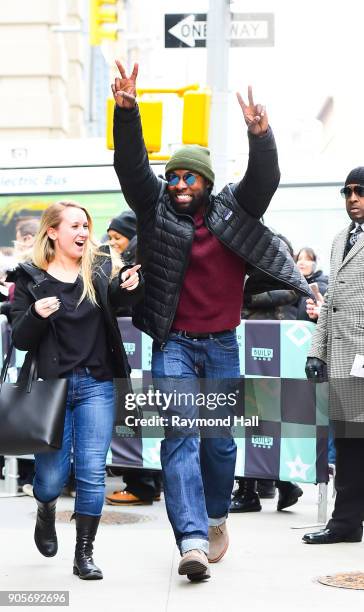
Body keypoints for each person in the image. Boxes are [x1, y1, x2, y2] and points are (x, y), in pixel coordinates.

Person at [112, 60, 312, 581]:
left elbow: (263, 178)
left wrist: (260, 135)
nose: (178, 184)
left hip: (222, 344)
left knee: (219, 442)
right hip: (173, 344)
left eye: (189, 177)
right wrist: (127, 111)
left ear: (205, 183)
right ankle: (193, 540)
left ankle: (217, 515)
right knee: (179, 437)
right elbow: (133, 169)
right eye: (173, 176)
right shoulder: (156, 212)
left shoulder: (234, 212)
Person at [11, 200, 143, 579]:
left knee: (91, 472)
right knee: (50, 479)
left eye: (86, 225)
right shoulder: (30, 276)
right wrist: (36, 314)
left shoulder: (99, 268)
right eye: (74, 226)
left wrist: (127, 287)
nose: (84, 232)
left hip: (97, 385)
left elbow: (117, 301)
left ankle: (83, 554)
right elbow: (20, 339)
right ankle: (46, 508)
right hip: (52, 391)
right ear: (52, 231)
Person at [303, 167, 364, 545]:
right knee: (349, 442)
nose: (353, 198)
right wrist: (316, 352)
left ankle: (345, 523)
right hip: (345, 362)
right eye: (347, 192)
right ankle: (345, 524)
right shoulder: (341, 238)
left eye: (360, 192)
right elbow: (330, 305)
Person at [231, 234, 303, 513]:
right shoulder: (290, 291)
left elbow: (286, 288)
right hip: (271, 355)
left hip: (260, 350)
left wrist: (242, 295)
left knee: (252, 419)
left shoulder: (266, 246)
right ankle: (284, 483)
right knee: (265, 421)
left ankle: (250, 491)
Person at [105, 210, 163, 505]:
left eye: (117, 237)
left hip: (136, 350)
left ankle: (141, 483)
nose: (112, 243)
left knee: (134, 415)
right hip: (138, 351)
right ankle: (147, 482)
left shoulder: (134, 262)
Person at [295, 247, 328, 320]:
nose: (301, 262)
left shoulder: (319, 288)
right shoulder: (299, 286)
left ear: (316, 263)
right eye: (299, 259)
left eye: (307, 259)